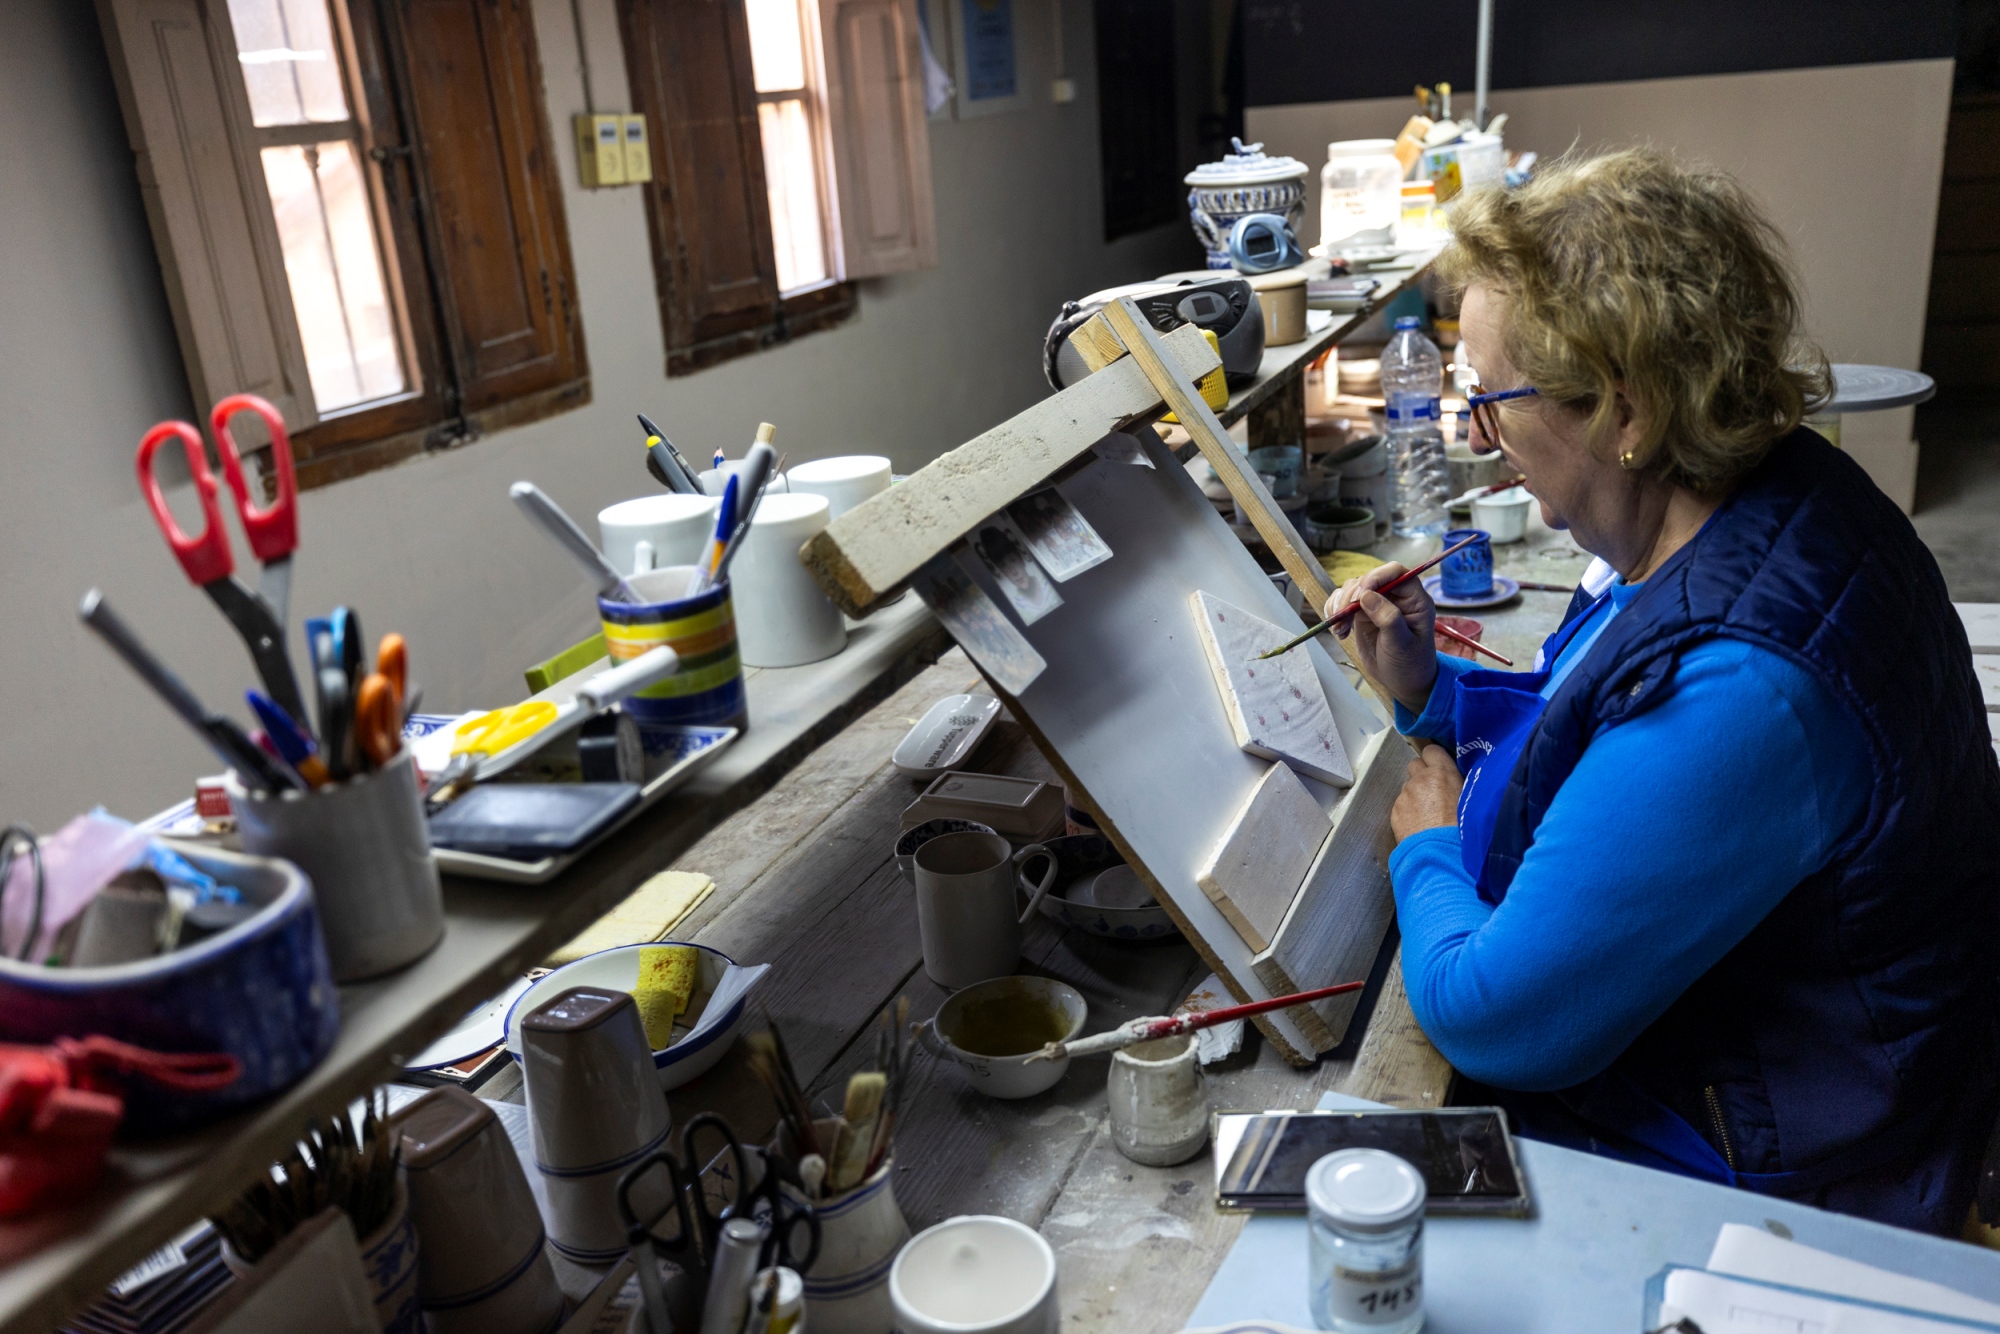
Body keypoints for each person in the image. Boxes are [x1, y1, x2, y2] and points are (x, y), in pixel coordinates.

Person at [1331, 149, 2000, 1235]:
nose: (1476, 442)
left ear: (1624, 411)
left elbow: (1497, 1017)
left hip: (1802, 1163)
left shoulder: (1744, 690)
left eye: (1491, 404)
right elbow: (1594, 713)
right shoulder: (1764, 496)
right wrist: (1438, 697)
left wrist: (1426, 842)